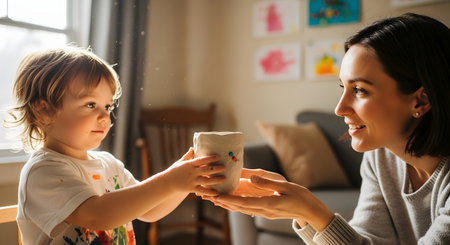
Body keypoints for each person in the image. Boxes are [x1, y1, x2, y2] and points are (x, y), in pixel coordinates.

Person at [205, 13, 450, 244]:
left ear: (421, 101)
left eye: (360, 90)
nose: (339, 108)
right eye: (342, 87)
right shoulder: (380, 156)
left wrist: (315, 211)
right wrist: (305, 213)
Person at [7, 47, 225, 244]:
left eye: (108, 106)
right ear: (43, 111)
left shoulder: (108, 164)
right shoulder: (44, 171)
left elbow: (149, 210)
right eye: (90, 105)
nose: (105, 117)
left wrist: (181, 183)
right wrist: (169, 181)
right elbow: (97, 215)